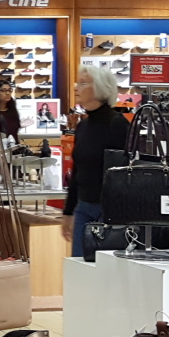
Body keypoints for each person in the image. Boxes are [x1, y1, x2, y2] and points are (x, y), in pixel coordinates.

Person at [62, 65, 133, 258]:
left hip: (110, 210)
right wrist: (68, 211)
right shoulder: (83, 126)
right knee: (79, 264)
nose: (76, 87)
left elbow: (126, 171)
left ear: (100, 88)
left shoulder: (118, 124)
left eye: (83, 83)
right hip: (83, 207)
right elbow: (77, 171)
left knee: (105, 267)